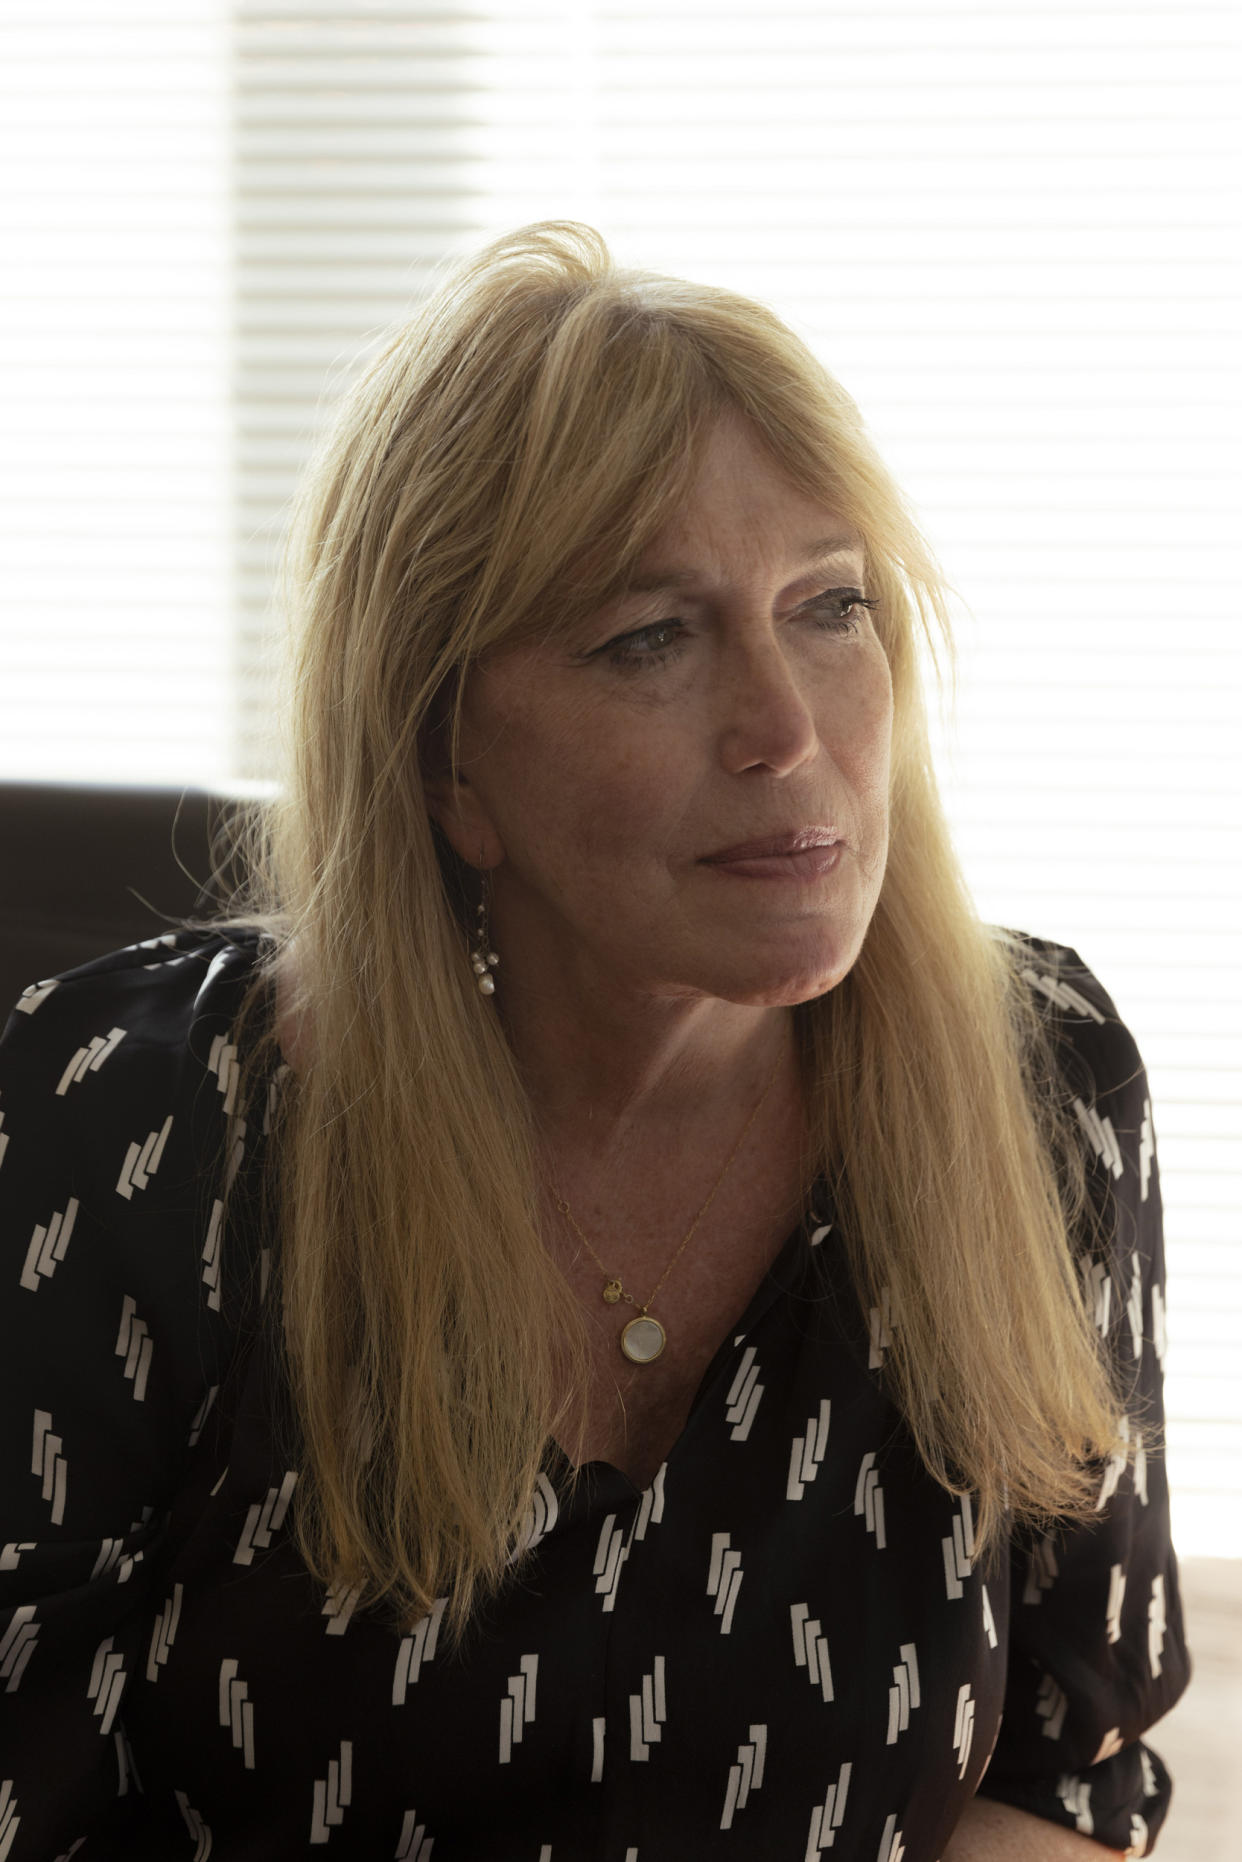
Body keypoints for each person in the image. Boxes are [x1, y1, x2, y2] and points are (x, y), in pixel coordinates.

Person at [0, 223, 1188, 1860]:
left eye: (828, 605)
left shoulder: (1039, 1076)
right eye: (652, 636)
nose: (787, 731)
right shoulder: (130, 1120)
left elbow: (1061, 1768)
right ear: (444, 764)